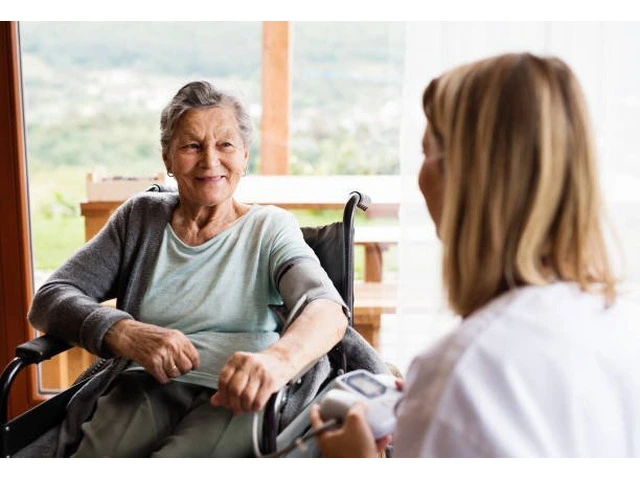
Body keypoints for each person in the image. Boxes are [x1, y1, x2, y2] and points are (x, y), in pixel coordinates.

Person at [27, 80, 386, 457]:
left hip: (238, 392)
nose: (210, 161)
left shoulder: (269, 228)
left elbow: (325, 310)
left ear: (244, 155)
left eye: (225, 144)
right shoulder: (140, 219)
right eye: (191, 146)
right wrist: (124, 332)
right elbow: (51, 297)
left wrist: (277, 362)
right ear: (167, 157)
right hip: (143, 383)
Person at [310, 52, 640, 457]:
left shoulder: (463, 374)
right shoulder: (621, 325)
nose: (420, 177)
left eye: (426, 152)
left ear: (465, 178)